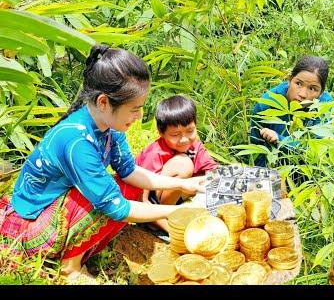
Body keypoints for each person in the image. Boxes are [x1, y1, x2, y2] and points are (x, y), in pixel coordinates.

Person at [0, 45, 205, 282]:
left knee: (129, 186)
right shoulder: (76, 141)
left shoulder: (108, 126)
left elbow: (129, 171)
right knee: (106, 198)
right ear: (104, 102)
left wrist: (182, 185)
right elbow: (117, 207)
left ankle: (77, 251)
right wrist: (178, 211)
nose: (138, 117)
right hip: (33, 223)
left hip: (60, 203)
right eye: (134, 109)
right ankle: (70, 268)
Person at [136, 95, 217, 234]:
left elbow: (213, 172)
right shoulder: (154, 154)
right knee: (183, 164)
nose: (184, 139)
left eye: (190, 131)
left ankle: (178, 213)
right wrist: (171, 231)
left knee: (209, 179)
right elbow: (141, 200)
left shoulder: (195, 145)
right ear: (161, 132)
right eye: (175, 134)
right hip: (150, 208)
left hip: (177, 197)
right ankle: (165, 220)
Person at [249, 55, 333, 167]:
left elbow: (317, 150)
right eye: (298, 84)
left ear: (321, 92)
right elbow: (256, 150)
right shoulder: (267, 103)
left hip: (308, 170)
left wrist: (280, 139)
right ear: (289, 79)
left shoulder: (324, 106)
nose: (302, 94)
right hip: (272, 166)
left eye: (312, 88)